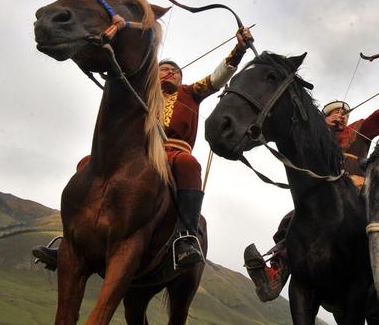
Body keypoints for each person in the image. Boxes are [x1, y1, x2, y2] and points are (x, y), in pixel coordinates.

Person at [32, 26, 254, 270]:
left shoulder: (191, 92)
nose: (171, 74)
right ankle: (70, 241)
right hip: (135, 152)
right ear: (154, 74)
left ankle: (186, 237)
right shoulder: (141, 93)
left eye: (176, 72)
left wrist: (239, 49)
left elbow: (216, 78)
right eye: (165, 69)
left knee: (189, 164)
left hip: (173, 152)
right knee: (86, 163)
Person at [244, 63, 379, 301]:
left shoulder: (359, 130)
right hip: (323, 201)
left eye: (344, 114)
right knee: (291, 220)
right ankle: (276, 274)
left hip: (360, 196)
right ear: (322, 117)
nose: (341, 116)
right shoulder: (312, 138)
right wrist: (322, 130)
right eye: (334, 113)